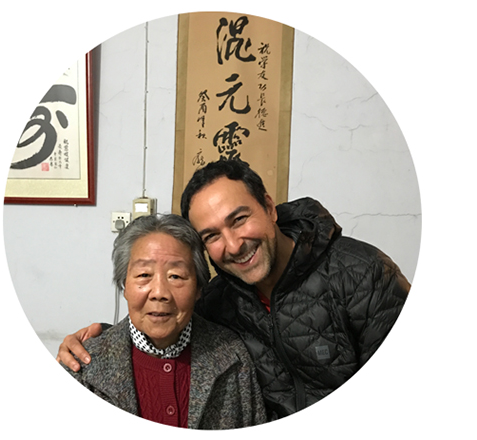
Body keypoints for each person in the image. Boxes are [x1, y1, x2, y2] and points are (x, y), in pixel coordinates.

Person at [58, 160, 410, 421]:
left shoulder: (362, 274)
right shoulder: (218, 299)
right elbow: (164, 325)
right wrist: (103, 343)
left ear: (269, 208)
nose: (233, 245)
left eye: (239, 220)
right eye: (212, 235)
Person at [60, 213, 267, 429]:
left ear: (198, 289)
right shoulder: (82, 367)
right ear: (124, 286)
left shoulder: (232, 357)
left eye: (175, 276)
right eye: (144, 275)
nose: (159, 293)